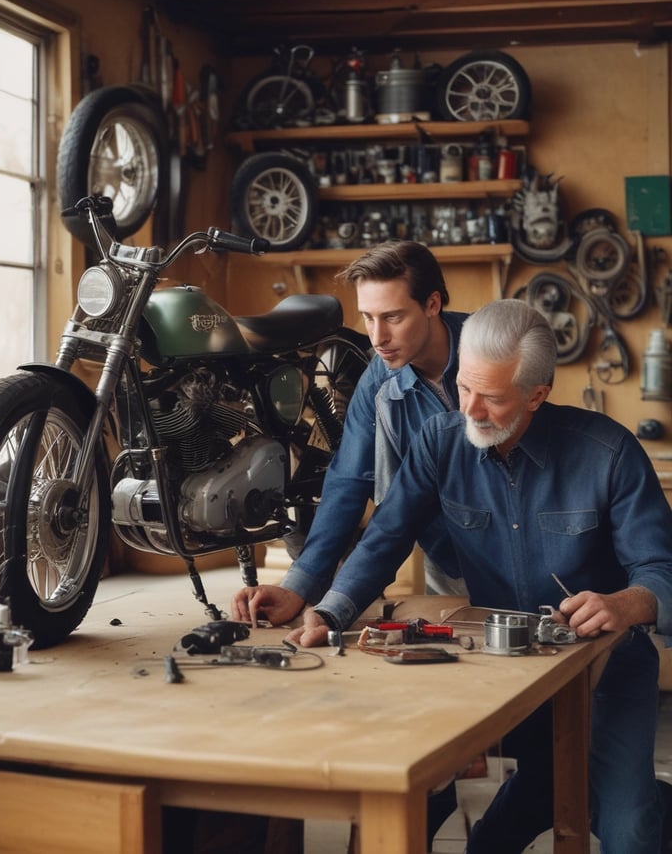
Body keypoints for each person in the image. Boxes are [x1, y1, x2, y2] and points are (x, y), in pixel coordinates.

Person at [282, 298, 672, 853]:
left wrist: (626, 604)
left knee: (629, 829)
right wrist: (329, 610)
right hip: (508, 670)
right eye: (465, 387)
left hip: (608, 670)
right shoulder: (439, 443)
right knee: (492, 820)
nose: (470, 410)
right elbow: (385, 538)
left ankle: (638, 800)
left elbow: (661, 568)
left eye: (492, 397)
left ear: (537, 394)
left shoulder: (608, 453)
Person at [231, 239, 468, 849]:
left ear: (434, 304)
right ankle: (435, 799)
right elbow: (347, 486)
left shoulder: (492, 351)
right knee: (448, 687)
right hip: (448, 558)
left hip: (526, 555)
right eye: (367, 318)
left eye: (392, 316)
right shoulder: (379, 385)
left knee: (538, 713)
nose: (377, 335)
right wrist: (300, 586)